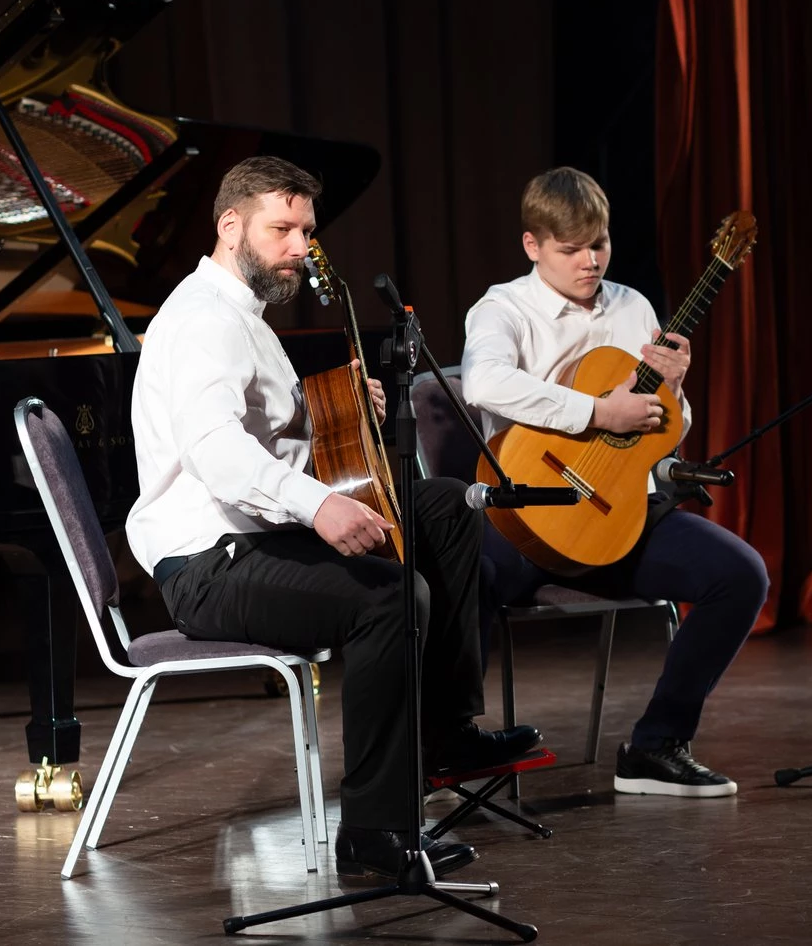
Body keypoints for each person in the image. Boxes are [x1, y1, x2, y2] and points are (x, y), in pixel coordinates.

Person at [125, 155, 539, 879]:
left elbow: (267, 436)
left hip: (257, 542)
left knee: (443, 505)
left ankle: (444, 733)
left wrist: (337, 412)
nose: (299, 247)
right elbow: (217, 451)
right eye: (281, 230)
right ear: (231, 226)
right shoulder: (202, 320)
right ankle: (374, 833)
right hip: (208, 565)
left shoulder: (243, 317)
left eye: (307, 232)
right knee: (391, 599)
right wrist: (319, 504)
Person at [461, 166, 768, 798]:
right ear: (532, 245)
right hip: (526, 515)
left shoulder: (633, 307)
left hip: (615, 514)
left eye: (599, 244)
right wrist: (598, 411)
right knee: (460, 578)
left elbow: (662, 431)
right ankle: (446, 751)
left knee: (741, 575)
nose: (590, 262)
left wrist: (674, 389)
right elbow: (483, 383)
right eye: (571, 249)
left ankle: (657, 744)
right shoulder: (502, 308)